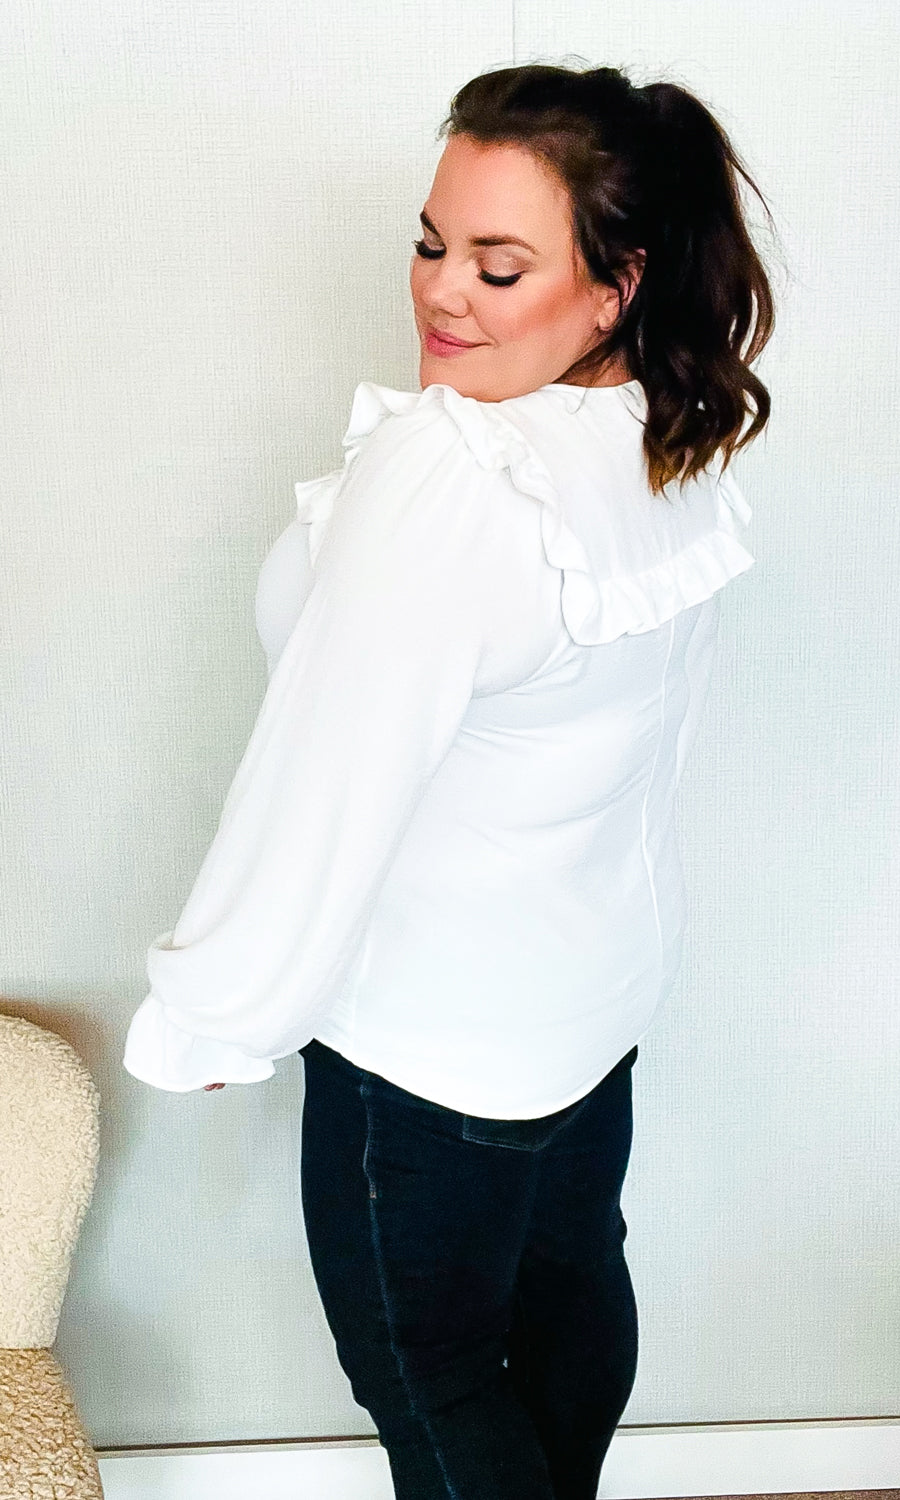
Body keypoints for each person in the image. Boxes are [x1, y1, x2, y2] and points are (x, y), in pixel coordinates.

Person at [123, 61, 776, 1500]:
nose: (441, 294)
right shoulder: (668, 429)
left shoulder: (458, 474)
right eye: (431, 244)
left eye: (498, 264)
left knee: (435, 1382)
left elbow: (324, 776)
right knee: (567, 1303)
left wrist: (216, 1007)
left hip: (426, 1050)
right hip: (588, 1011)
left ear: (614, 287)